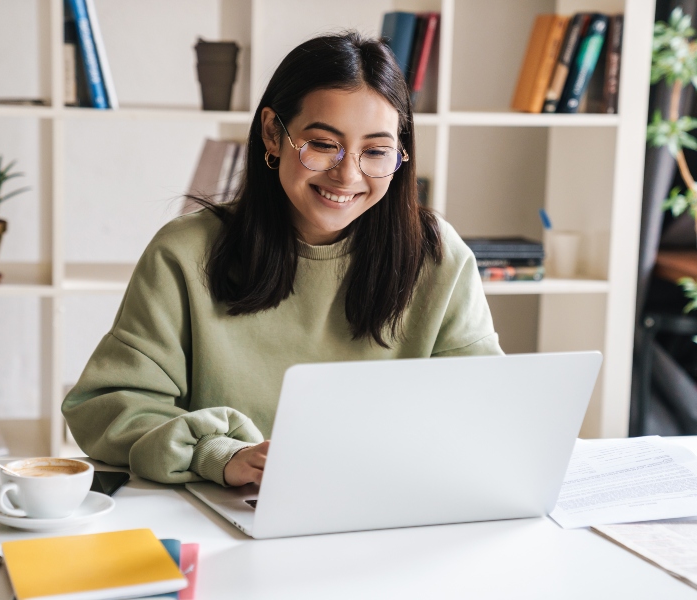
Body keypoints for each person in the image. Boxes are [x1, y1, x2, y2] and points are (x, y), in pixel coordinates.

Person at [62, 32, 503, 488]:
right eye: (323, 143)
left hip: (389, 502)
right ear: (273, 133)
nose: (347, 174)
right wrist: (215, 453)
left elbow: (488, 407)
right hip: (229, 508)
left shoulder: (438, 257)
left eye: (375, 151)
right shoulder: (185, 252)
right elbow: (108, 405)